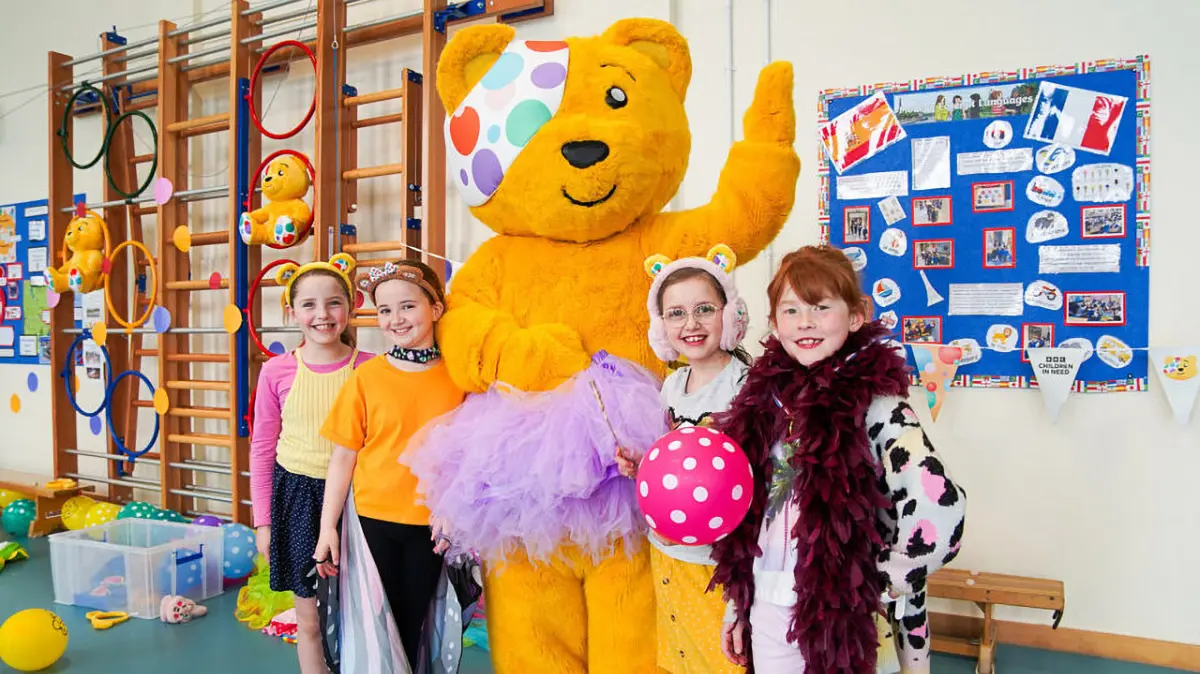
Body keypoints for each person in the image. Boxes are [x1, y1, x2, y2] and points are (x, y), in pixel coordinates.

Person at [710, 245, 967, 673]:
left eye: (820, 307)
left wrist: (873, 585)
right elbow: (749, 513)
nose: (805, 322)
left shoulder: (879, 408)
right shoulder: (765, 403)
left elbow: (943, 514)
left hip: (849, 620)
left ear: (854, 316)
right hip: (769, 603)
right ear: (774, 323)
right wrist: (736, 605)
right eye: (791, 311)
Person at [315, 260, 466, 669]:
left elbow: (470, 459)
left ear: (435, 309)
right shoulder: (366, 378)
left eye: (407, 307)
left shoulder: (460, 379)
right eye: (384, 310)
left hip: (430, 527)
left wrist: (456, 513)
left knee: (412, 624)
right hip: (371, 525)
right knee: (374, 628)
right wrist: (328, 527)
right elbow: (343, 457)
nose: (396, 319)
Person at [616, 244, 752, 673]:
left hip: (722, 562)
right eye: (675, 313)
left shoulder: (748, 385)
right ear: (662, 326)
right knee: (681, 657)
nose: (690, 324)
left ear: (729, 315)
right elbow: (674, 462)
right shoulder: (673, 386)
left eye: (703, 310)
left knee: (723, 659)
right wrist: (643, 468)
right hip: (669, 552)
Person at [249, 253, 372, 674]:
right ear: (291, 312)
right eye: (309, 305)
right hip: (297, 501)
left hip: (359, 501)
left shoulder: (369, 369)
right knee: (310, 620)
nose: (323, 314)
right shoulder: (276, 371)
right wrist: (263, 522)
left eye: (334, 302)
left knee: (361, 615)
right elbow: (263, 448)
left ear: (352, 306)